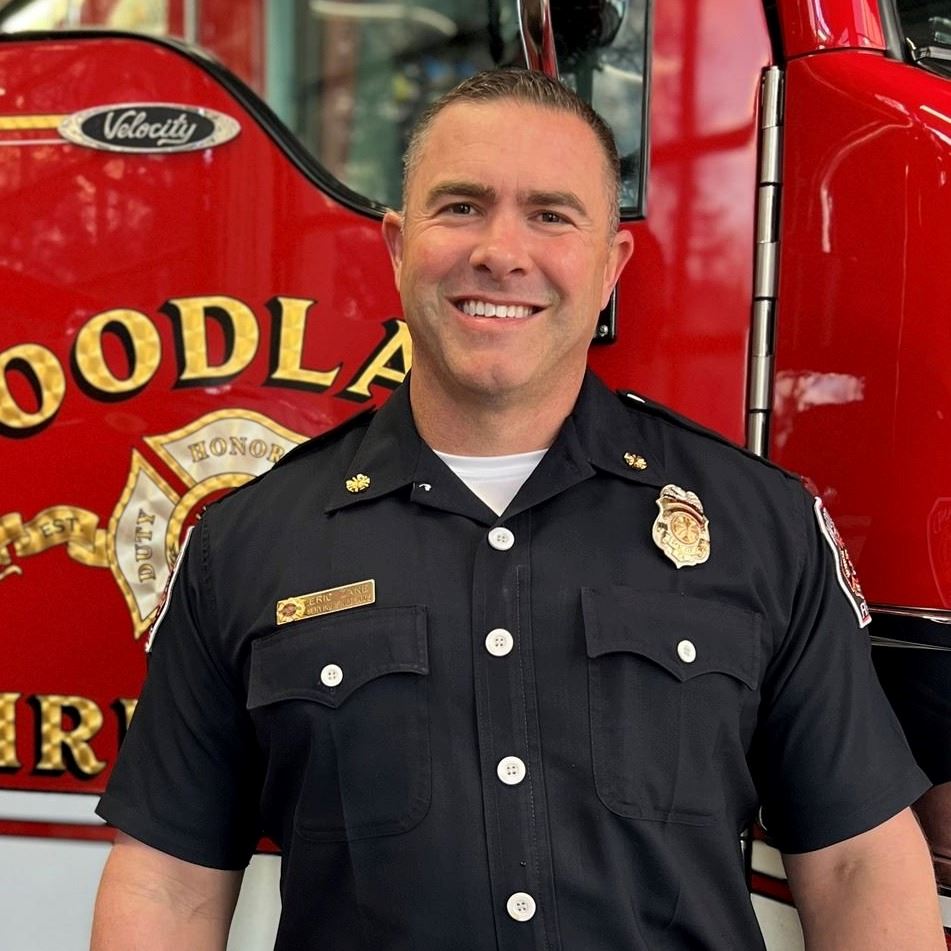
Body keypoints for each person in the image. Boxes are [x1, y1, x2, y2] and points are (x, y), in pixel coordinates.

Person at [91, 69, 944, 950]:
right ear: (397, 246)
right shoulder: (248, 543)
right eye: (461, 206)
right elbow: (168, 883)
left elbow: (856, 863)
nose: (501, 251)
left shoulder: (760, 525)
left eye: (550, 215)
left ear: (610, 265)